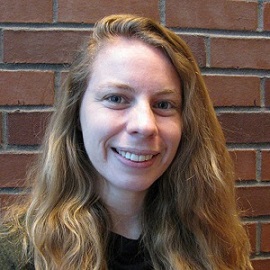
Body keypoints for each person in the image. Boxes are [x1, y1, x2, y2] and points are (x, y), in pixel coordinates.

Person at [0, 14, 253, 269]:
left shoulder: (215, 244)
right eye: (116, 98)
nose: (144, 125)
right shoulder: (16, 253)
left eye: (164, 105)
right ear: (76, 112)